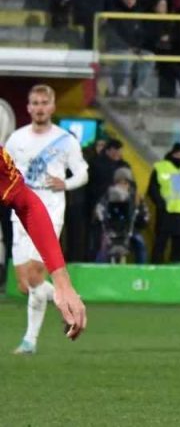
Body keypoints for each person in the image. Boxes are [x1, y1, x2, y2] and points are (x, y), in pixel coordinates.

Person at [9, 84, 89, 355]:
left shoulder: (66, 140)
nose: (40, 108)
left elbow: (82, 173)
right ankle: (64, 298)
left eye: (44, 103)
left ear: (53, 107)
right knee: (25, 285)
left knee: (35, 274)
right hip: (19, 212)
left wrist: (65, 183)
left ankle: (29, 341)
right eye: (35, 103)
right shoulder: (16, 139)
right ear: (28, 107)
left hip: (49, 212)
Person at [148, 143, 180, 263]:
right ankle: (156, 269)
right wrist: (160, 204)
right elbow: (153, 188)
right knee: (160, 243)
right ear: (172, 153)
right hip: (166, 212)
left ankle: (176, 269)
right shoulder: (161, 167)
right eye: (177, 154)